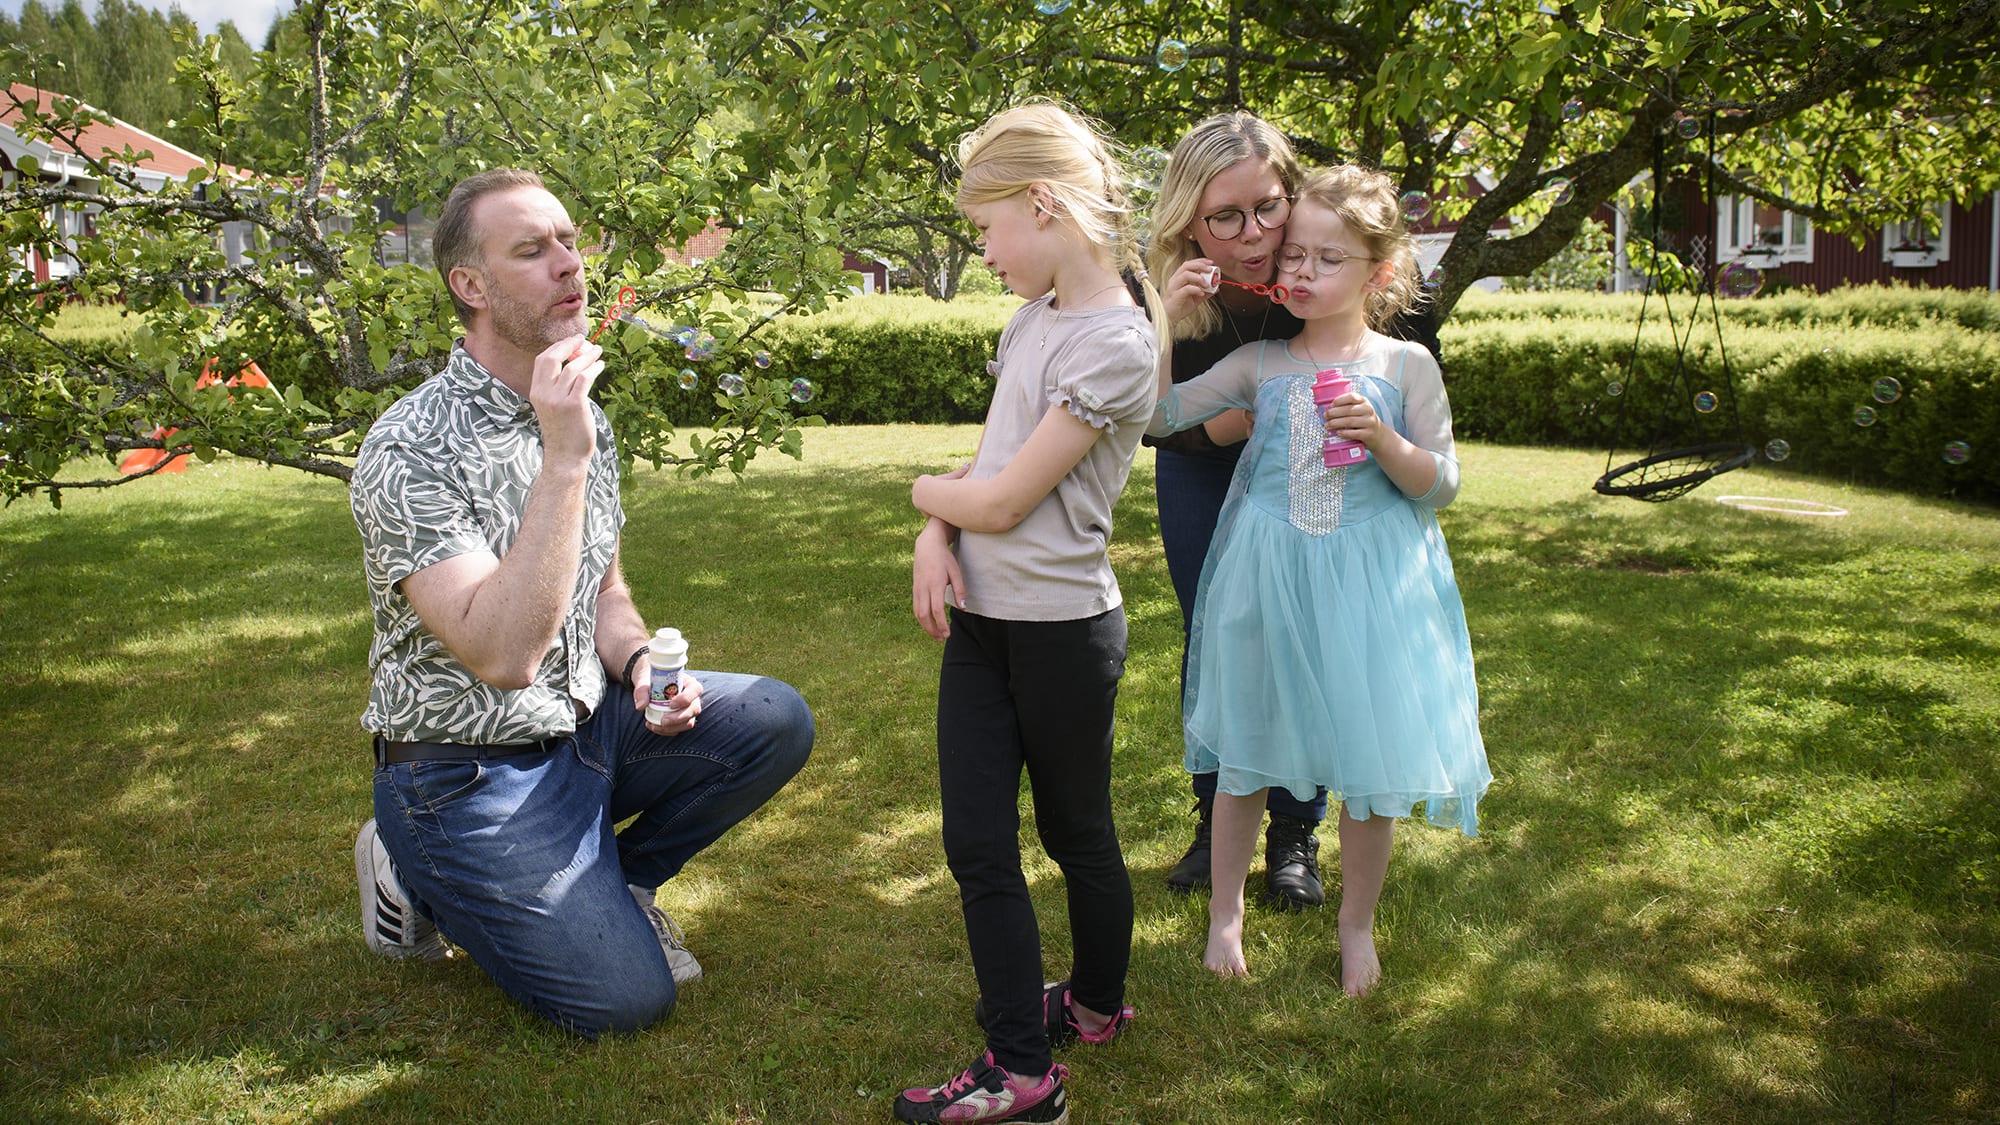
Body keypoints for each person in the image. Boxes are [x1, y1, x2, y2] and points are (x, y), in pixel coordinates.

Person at [347, 168, 814, 1036]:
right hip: (466, 772)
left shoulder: (573, 408)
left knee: (774, 717)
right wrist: (563, 458)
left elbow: (607, 591)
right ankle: (411, 868)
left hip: (587, 732)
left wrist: (642, 669)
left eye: (569, 239)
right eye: (533, 249)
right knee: (627, 1001)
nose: (571, 264)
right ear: (470, 287)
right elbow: (501, 654)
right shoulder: (411, 446)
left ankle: (618, 879)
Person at [1146, 164, 1490, 996]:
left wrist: (1383, 439)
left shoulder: (1408, 367)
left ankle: (1356, 928)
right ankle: (1225, 913)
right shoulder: (1260, 363)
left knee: (1367, 768)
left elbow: (1440, 483)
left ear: (1379, 274)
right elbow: (1153, 414)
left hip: (1371, 586)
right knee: (1244, 752)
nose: (1299, 272)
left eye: (1326, 260)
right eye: (1292, 254)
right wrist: (1162, 315)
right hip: (1267, 575)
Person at [896, 102, 1163, 1125]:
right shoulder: (1031, 319)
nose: (982, 253)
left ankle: (1092, 1008)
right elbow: (990, 467)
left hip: (1060, 635)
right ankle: (1022, 1065)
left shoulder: (1117, 345)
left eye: (984, 230)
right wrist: (935, 532)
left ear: (1041, 205)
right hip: (984, 628)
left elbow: (1001, 501)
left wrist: (923, 497)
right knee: (976, 842)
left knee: (1075, 833)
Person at [1143, 112, 1329, 909]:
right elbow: (1143, 416)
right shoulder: (1164, 287)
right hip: (1202, 471)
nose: (1252, 235)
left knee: (1306, 635)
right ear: (1190, 218)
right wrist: (1159, 318)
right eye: (1225, 217)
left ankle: (1293, 833)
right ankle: (1214, 822)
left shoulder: (1326, 254)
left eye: (1269, 207)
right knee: (1216, 635)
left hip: (1311, 475)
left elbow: (1395, 355)